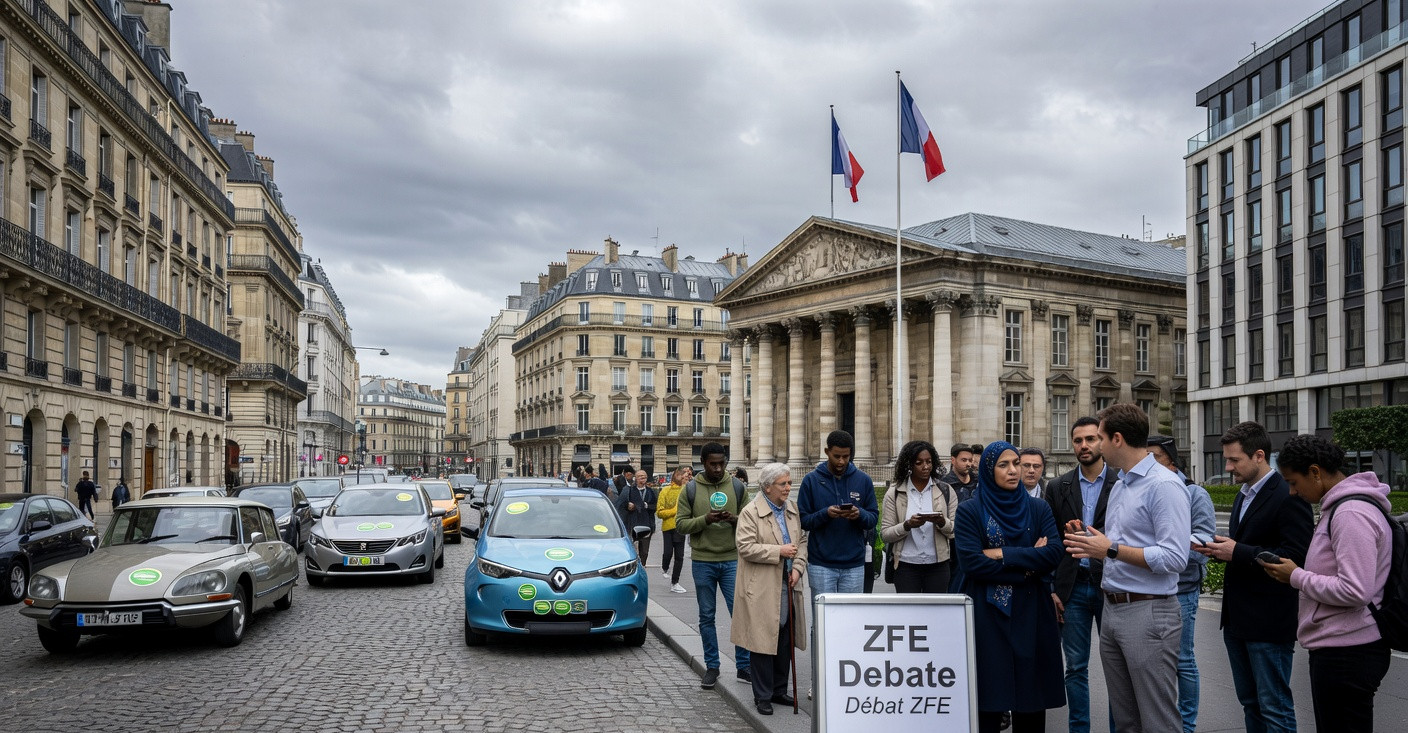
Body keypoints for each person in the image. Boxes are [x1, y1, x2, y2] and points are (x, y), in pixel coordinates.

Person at [1064, 403, 1189, 733]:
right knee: (1126, 722)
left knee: (1158, 721)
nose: (1096, 444)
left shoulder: (1163, 485)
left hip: (1149, 610)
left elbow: (1175, 557)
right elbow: (1120, 544)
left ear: (1117, 439)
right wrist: (1093, 540)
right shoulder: (1121, 484)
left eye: (1100, 437)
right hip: (1113, 607)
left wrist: (1110, 549)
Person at [1259, 435, 1392, 733]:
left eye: (1293, 482)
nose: (1292, 492)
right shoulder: (1343, 508)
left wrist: (1295, 576)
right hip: (1344, 645)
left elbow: (1355, 590)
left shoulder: (1350, 513)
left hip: (1348, 650)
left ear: (1315, 472)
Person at [1195, 421, 1312, 733]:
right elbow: (1244, 547)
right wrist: (1219, 549)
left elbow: (1296, 558)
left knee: (1274, 708)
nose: (1228, 467)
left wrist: (1238, 551)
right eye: (1227, 459)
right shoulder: (1243, 494)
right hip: (1237, 619)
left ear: (1259, 455)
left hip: (1269, 622)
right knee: (1251, 703)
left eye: (1234, 460)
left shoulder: (1289, 494)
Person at [953, 440, 1065, 732]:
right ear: (989, 470)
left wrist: (1001, 553)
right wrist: (1029, 566)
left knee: (1031, 698)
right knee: (988, 698)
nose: (1014, 470)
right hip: (988, 614)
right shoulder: (970, 511)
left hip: (1033, 612)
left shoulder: (1038, 508)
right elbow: (972, 564)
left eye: (1016, 463)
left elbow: (1053, 553)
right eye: (1004, 465)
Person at [1044, 416, 1117, 733]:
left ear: (1102, 441)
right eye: (1078, 440)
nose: (1084, 445)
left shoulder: (1121, 482)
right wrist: (1051, 587)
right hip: (1071, 588)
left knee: (1117, 667)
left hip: (1111, 584)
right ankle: (1079, 729)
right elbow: (1049, 542)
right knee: (1075, 667)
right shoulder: (1057, 486)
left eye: (1090, 439)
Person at [1149, 433, 1216, 733]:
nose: (1149, 463)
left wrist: (1162, 551)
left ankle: (1187, 726)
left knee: (1183, 660)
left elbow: (1203, 545)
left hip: (1182, 589)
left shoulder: (1194, 494)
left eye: (1155, 457)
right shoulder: (1147, 489)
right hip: (1149, 589)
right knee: (1153, 663)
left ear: (1172, 461)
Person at [733, 462, 808, 716]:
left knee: (785, 637)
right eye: (783, 484)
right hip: (762, 586)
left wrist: (798, 568)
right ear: (767, 487)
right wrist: (779, 551)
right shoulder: (750, 512)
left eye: (789, 483)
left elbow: (802, 541)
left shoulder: (792, 509)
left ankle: (778, 689)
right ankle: (762, 695)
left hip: (788, 582)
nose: (788, 488)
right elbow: (745, 547)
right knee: (763, 640)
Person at [675, 442, 750, 688]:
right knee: (706, 616)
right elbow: (681, 525)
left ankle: (744, 666)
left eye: (721, 464)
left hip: (732, 559)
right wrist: (705, 520)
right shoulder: (691, 489)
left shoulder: (737, 487)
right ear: (703, 463)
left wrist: (734, 519)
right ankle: (712, 666)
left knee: (739, 614)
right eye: (712, 464)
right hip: (703, 561)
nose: (718, 469)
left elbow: (751, 523)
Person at [799, 430, 879, 597]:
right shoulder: (811, 481)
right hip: (820, 564)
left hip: (854, 564)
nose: (841, 461)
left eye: (846, 456)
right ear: (827, 452)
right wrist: (825, 514)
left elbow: (873, 519)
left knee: (851, 614)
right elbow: (803, 520)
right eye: (836, 456)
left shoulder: (863, 480)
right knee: (823, 614)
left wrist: (859, 514)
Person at [881, 439, 958, 593]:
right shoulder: (894, 493)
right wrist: (907, 525)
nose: (925, 466)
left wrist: (942, 522)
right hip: (906, 566)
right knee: (909, 609)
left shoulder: (946, 490)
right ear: (910, 465)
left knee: (937, 607)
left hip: (938, 565)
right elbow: (885, 534)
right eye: (919, 462)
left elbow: (956, 530)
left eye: (929, 462)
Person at [656, 466, 688, 593]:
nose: (684, 478)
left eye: (685, 476)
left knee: (679, 556)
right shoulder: (665, 490)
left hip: (680, 526)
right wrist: (674, 511)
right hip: (668, 527)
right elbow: (659, 512)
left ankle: (675, 582)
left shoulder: (686, 490)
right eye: (681, 475)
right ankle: (665, 568)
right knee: (668, 552)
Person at [615, 469, 657, 567]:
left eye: (644, 476)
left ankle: (642, 566)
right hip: (632, 524)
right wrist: (628, 506)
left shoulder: (651, 491)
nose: (643, 478)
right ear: (636, 478)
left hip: (646, 524)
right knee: (632, 549)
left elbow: (655, 506)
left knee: (644, 552)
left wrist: (646, 505)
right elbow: (621, 505)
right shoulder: (629, 490)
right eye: (640, 476)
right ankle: (633, 567)